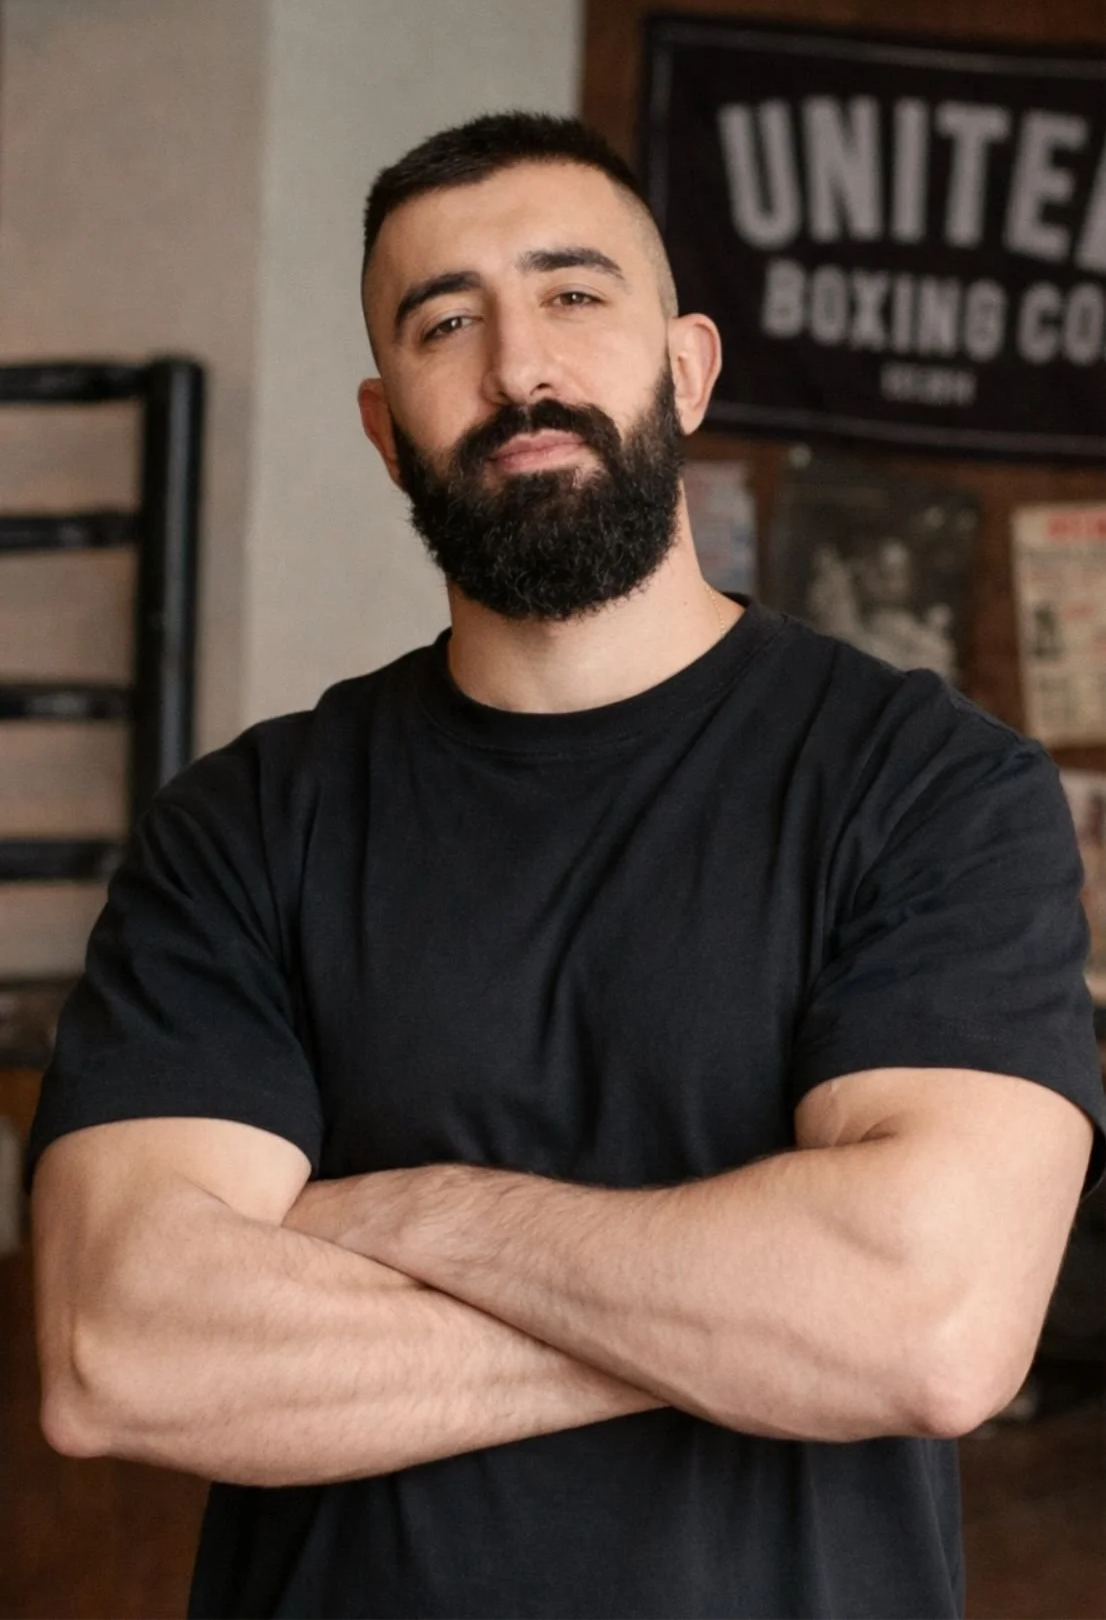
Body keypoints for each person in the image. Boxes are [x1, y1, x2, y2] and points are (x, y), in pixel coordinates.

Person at [27, 112, 1106, 1620]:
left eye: (573, 294)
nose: (518, 368)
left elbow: (924, 1323)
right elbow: (121, 1352)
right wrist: (742, 1328)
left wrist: (402, 1214)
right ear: (381, 421)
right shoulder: (245, 825)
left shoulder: (926, 789)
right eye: (444, 321)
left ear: (686, 366)